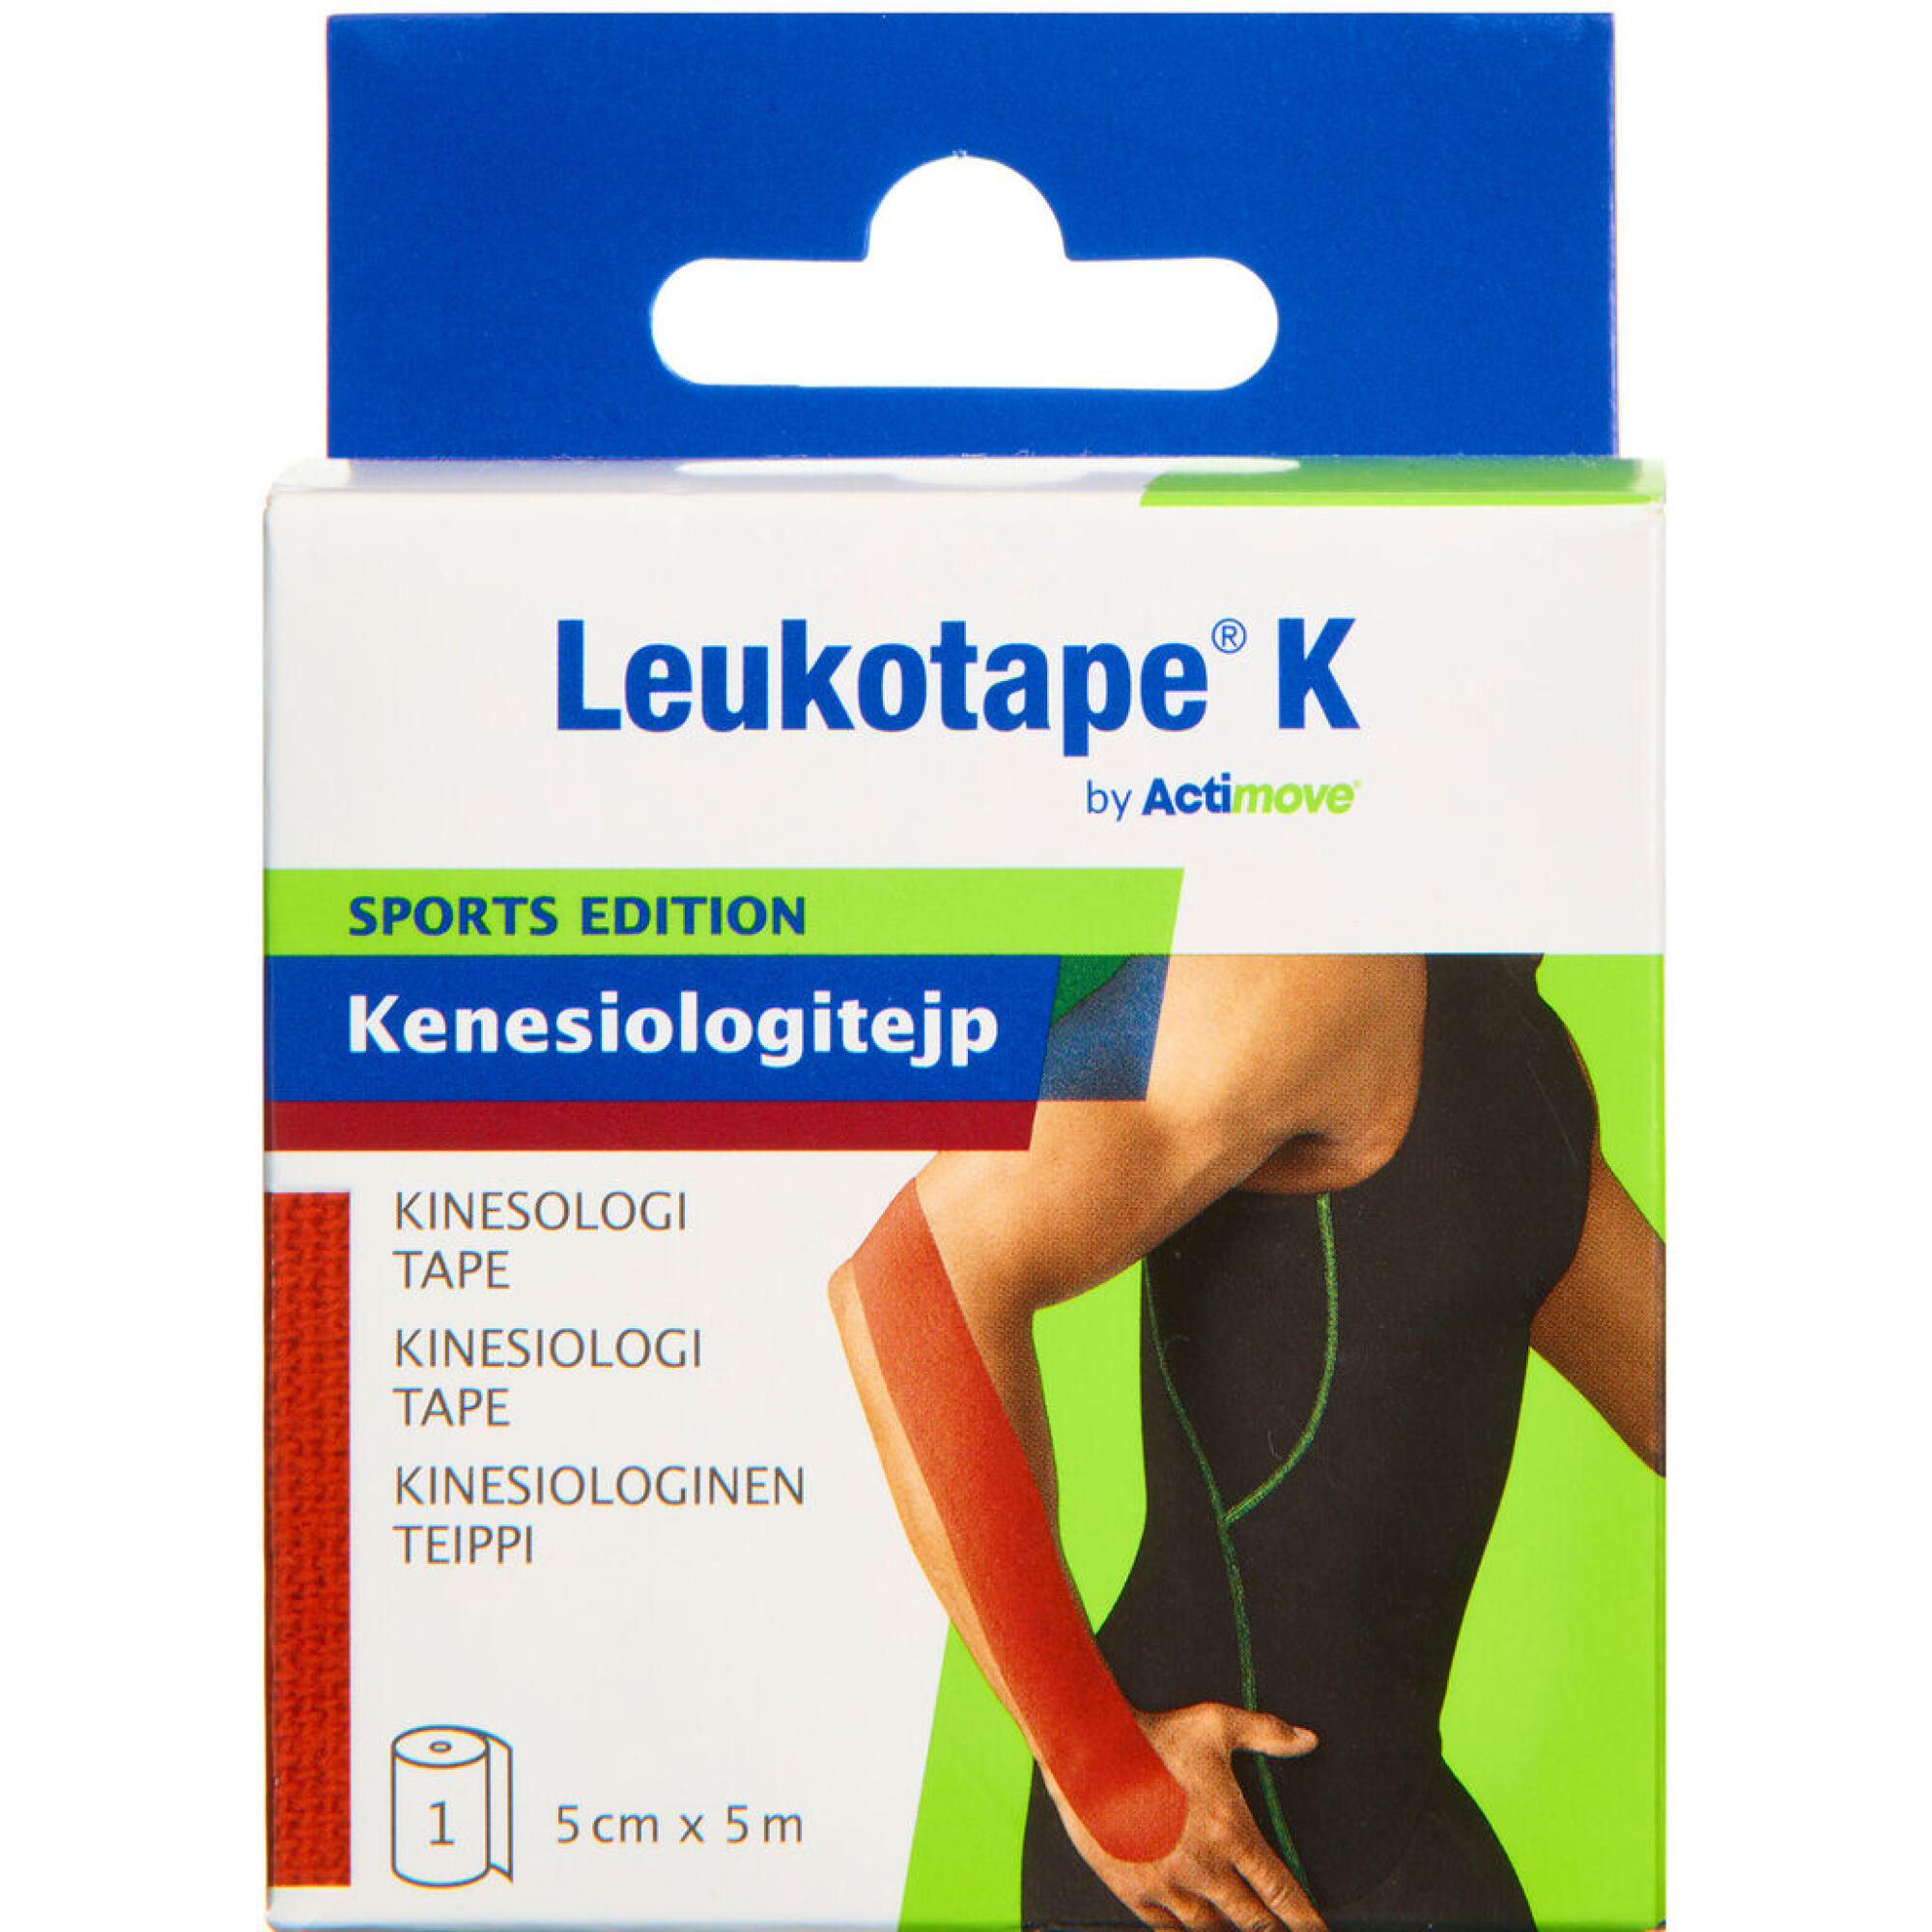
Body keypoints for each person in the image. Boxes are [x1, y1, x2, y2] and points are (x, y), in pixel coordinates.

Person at [830, 954, 1663, 1932]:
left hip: (1401, 1842)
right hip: (1209, 1862)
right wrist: (1106, 1775)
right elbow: (910, 1275)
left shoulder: (1527, 1057)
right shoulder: (1317, 971)